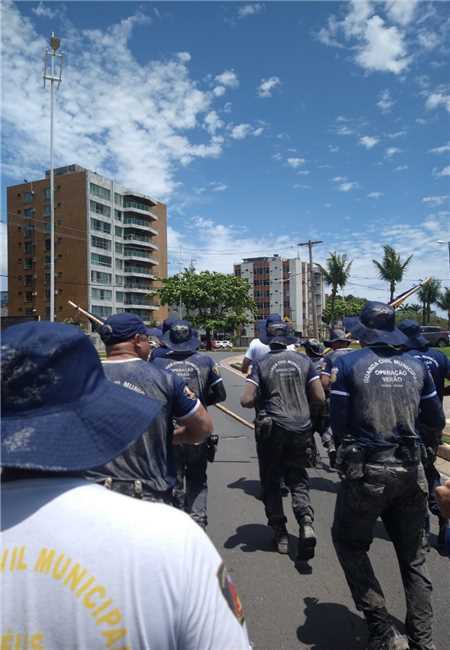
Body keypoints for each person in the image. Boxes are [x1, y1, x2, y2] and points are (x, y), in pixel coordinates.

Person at [1, 321, 251, 650]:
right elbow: (202, 424)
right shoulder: (172, 540)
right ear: (97, 416)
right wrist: (171, 437)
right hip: (151, 498)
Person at [330, 302, 445, 650]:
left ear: (364, 331)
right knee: (414, 557)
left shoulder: (348, 364)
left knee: (349, 542)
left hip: (368, 471)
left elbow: (338, 422)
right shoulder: (416, 367)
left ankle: (382, 629)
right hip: (411, 471)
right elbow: (436, 420)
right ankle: (422, 640)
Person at [87, 313, 213, 504]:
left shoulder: (82, 379)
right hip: (148, 495)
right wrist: (170, 437)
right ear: (137, 340)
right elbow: (203, 428)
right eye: (148, 340)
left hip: (94, 494)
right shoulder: (165, 379)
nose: (150, 345)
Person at [240, 322, 325, 561]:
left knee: (271, 481)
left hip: (272, 431)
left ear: (268, 340)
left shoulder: (261, 364)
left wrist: (261, 399)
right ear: (289, 339)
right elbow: (319, 396)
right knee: (297, 478)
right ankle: (306, 521)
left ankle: (280, 534)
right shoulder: (305, 362)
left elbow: (246, 399)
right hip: (301, 429)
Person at [152, 319, 226, 529]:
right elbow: (220, 394)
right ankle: (198, 523)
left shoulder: (156, 363)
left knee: (173, 480)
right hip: (197, 430)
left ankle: (177, 526)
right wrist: (201, 403)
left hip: (169, 433)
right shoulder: (206, 361)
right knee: (197, 479)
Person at [398, 319, 450, 550]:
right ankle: (442, 514)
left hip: (409, 424)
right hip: (433, 423)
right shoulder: (439, 357)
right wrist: (441, 394)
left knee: (411, 475)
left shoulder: (401, 360)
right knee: (430, 470)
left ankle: (420, 528)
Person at [303, 338, 335, 467]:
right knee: (325, 427)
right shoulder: (326, 362)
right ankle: (331, 446)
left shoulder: (305, 363)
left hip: (310, 401)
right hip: (326, 400)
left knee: (308, 429)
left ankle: (310, 457)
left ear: (308, 351)